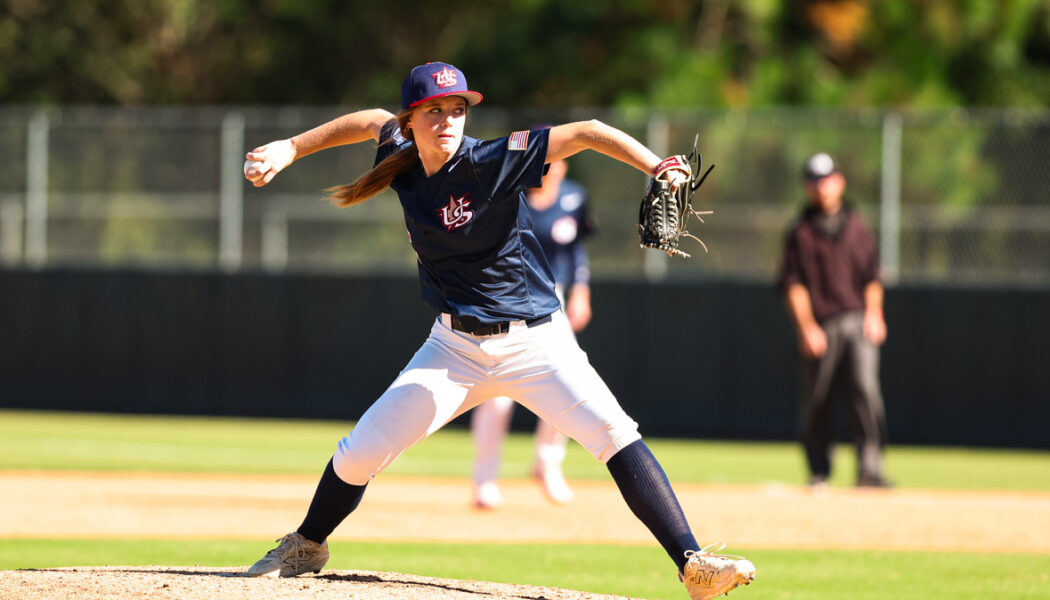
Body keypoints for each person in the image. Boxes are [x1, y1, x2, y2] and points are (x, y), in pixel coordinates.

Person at [242, 61, 755, 600]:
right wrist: (291, 148)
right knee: (358, 452)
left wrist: (658, 166)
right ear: (412, 119)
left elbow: (586, 133)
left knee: (615, 434)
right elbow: (371, 119)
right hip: (453, 350)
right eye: (434, 109)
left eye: (458, 109)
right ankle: (308, 544)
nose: (448, 119)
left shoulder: (493, 160)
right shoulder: (400, 152)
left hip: (536, 342)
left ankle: (692, 564)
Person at [470, 153, 594, 508]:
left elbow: (577, 248)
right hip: (506, 295)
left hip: (552, 298)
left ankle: (547, 464)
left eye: (555, 162)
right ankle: (485, 479)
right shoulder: (511, 194)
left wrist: (582, 290)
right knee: (497, 395)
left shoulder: (574, 196)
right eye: (543, 163)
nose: (549, 170)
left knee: (570, 382)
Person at [777, 152, 892, 489]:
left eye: (826, 179)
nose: (821, 186)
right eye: (814, 180)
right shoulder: (800, 232)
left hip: (857, 320)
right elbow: (793, 285)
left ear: (839, 181)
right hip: (822, 324)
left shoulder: (858, 226)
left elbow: (873, 277)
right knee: (817, 398)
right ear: (806, 186)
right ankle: (819, 470)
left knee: (866, 391)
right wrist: (807, 327)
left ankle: (870, 469)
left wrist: (874, 314)